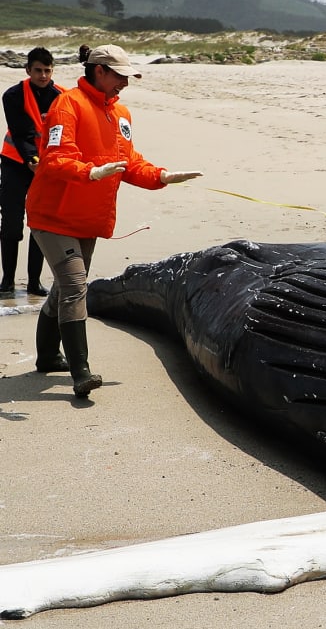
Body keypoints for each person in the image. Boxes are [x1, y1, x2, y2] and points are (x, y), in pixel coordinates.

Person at [26, 44, 202, 398]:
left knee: (63, 289)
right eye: (120, 75)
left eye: (128, 76)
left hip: (88, 217)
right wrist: (91, 172)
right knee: (76, 286)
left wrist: (162, 176)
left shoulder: (121, 114)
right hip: (53, 214)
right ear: (100, 71)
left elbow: (130, 163)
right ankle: (81, 373)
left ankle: (46, 356)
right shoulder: (67, 104)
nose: (125, 82)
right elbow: (55, 159)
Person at [1, 47, 62, 296]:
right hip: (16, 162)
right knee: (12, 225)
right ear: (28, 70)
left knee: (39, 224)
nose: (43, 75)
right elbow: (22, 131)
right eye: (38, 70)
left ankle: (35, 282)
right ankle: (7, 280)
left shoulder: (60, 97)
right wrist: (31, 160)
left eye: (47, 71)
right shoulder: (12, 96)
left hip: (44, 166)